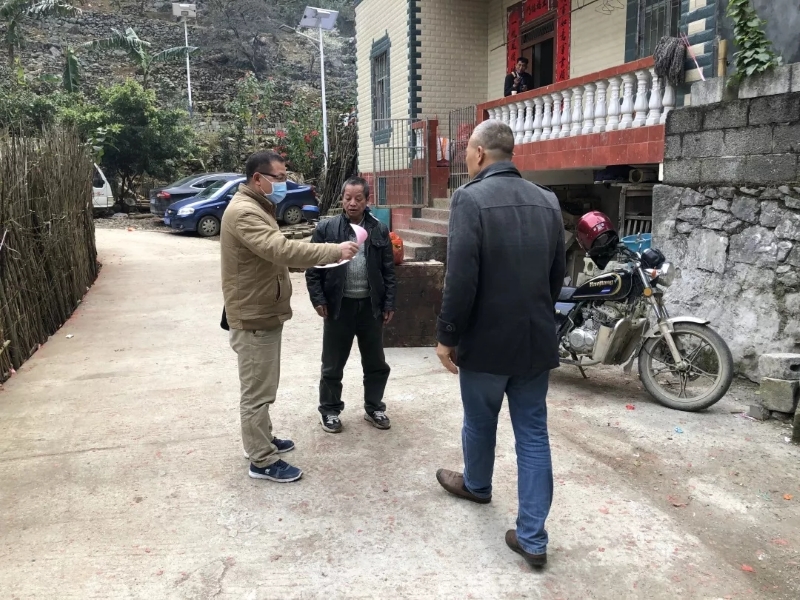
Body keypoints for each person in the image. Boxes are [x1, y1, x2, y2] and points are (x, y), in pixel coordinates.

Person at [433, 120, 566, 569]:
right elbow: (556, 277)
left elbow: (460, 278)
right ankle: (533, 539)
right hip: (534, 342)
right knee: (533, 436)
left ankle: (477, 485)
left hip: (486, 344)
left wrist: (447, 335)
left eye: (467, 152)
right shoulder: (548, 200)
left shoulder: (469, 198)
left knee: (479, 420)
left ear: (479, 153)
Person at [221, 151, 359, 483]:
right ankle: (261, 460)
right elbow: (280, 250)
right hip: (254, 316)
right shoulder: (244, 212)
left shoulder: (258, 206)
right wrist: (333, 251)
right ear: (258, 179)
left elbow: (274, 255)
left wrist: (306, 260)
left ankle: (262, 439)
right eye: (280, 178)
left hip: (262, 309)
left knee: (262, 385)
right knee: (257, 392)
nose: (285, 184)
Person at [306, 177, 396, 434]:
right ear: (342, 199)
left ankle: (374, 407)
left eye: (358, 198)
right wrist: (318, 299)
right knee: (332, 364)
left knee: (376, 363)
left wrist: (389, 302)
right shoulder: (327, 229)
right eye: (348, 198)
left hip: (370, 307)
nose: (352, 203)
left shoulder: (379, 229)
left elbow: (388, 271)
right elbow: (313, 268)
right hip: (338, 307)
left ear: (367, 200)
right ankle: (330, 410)